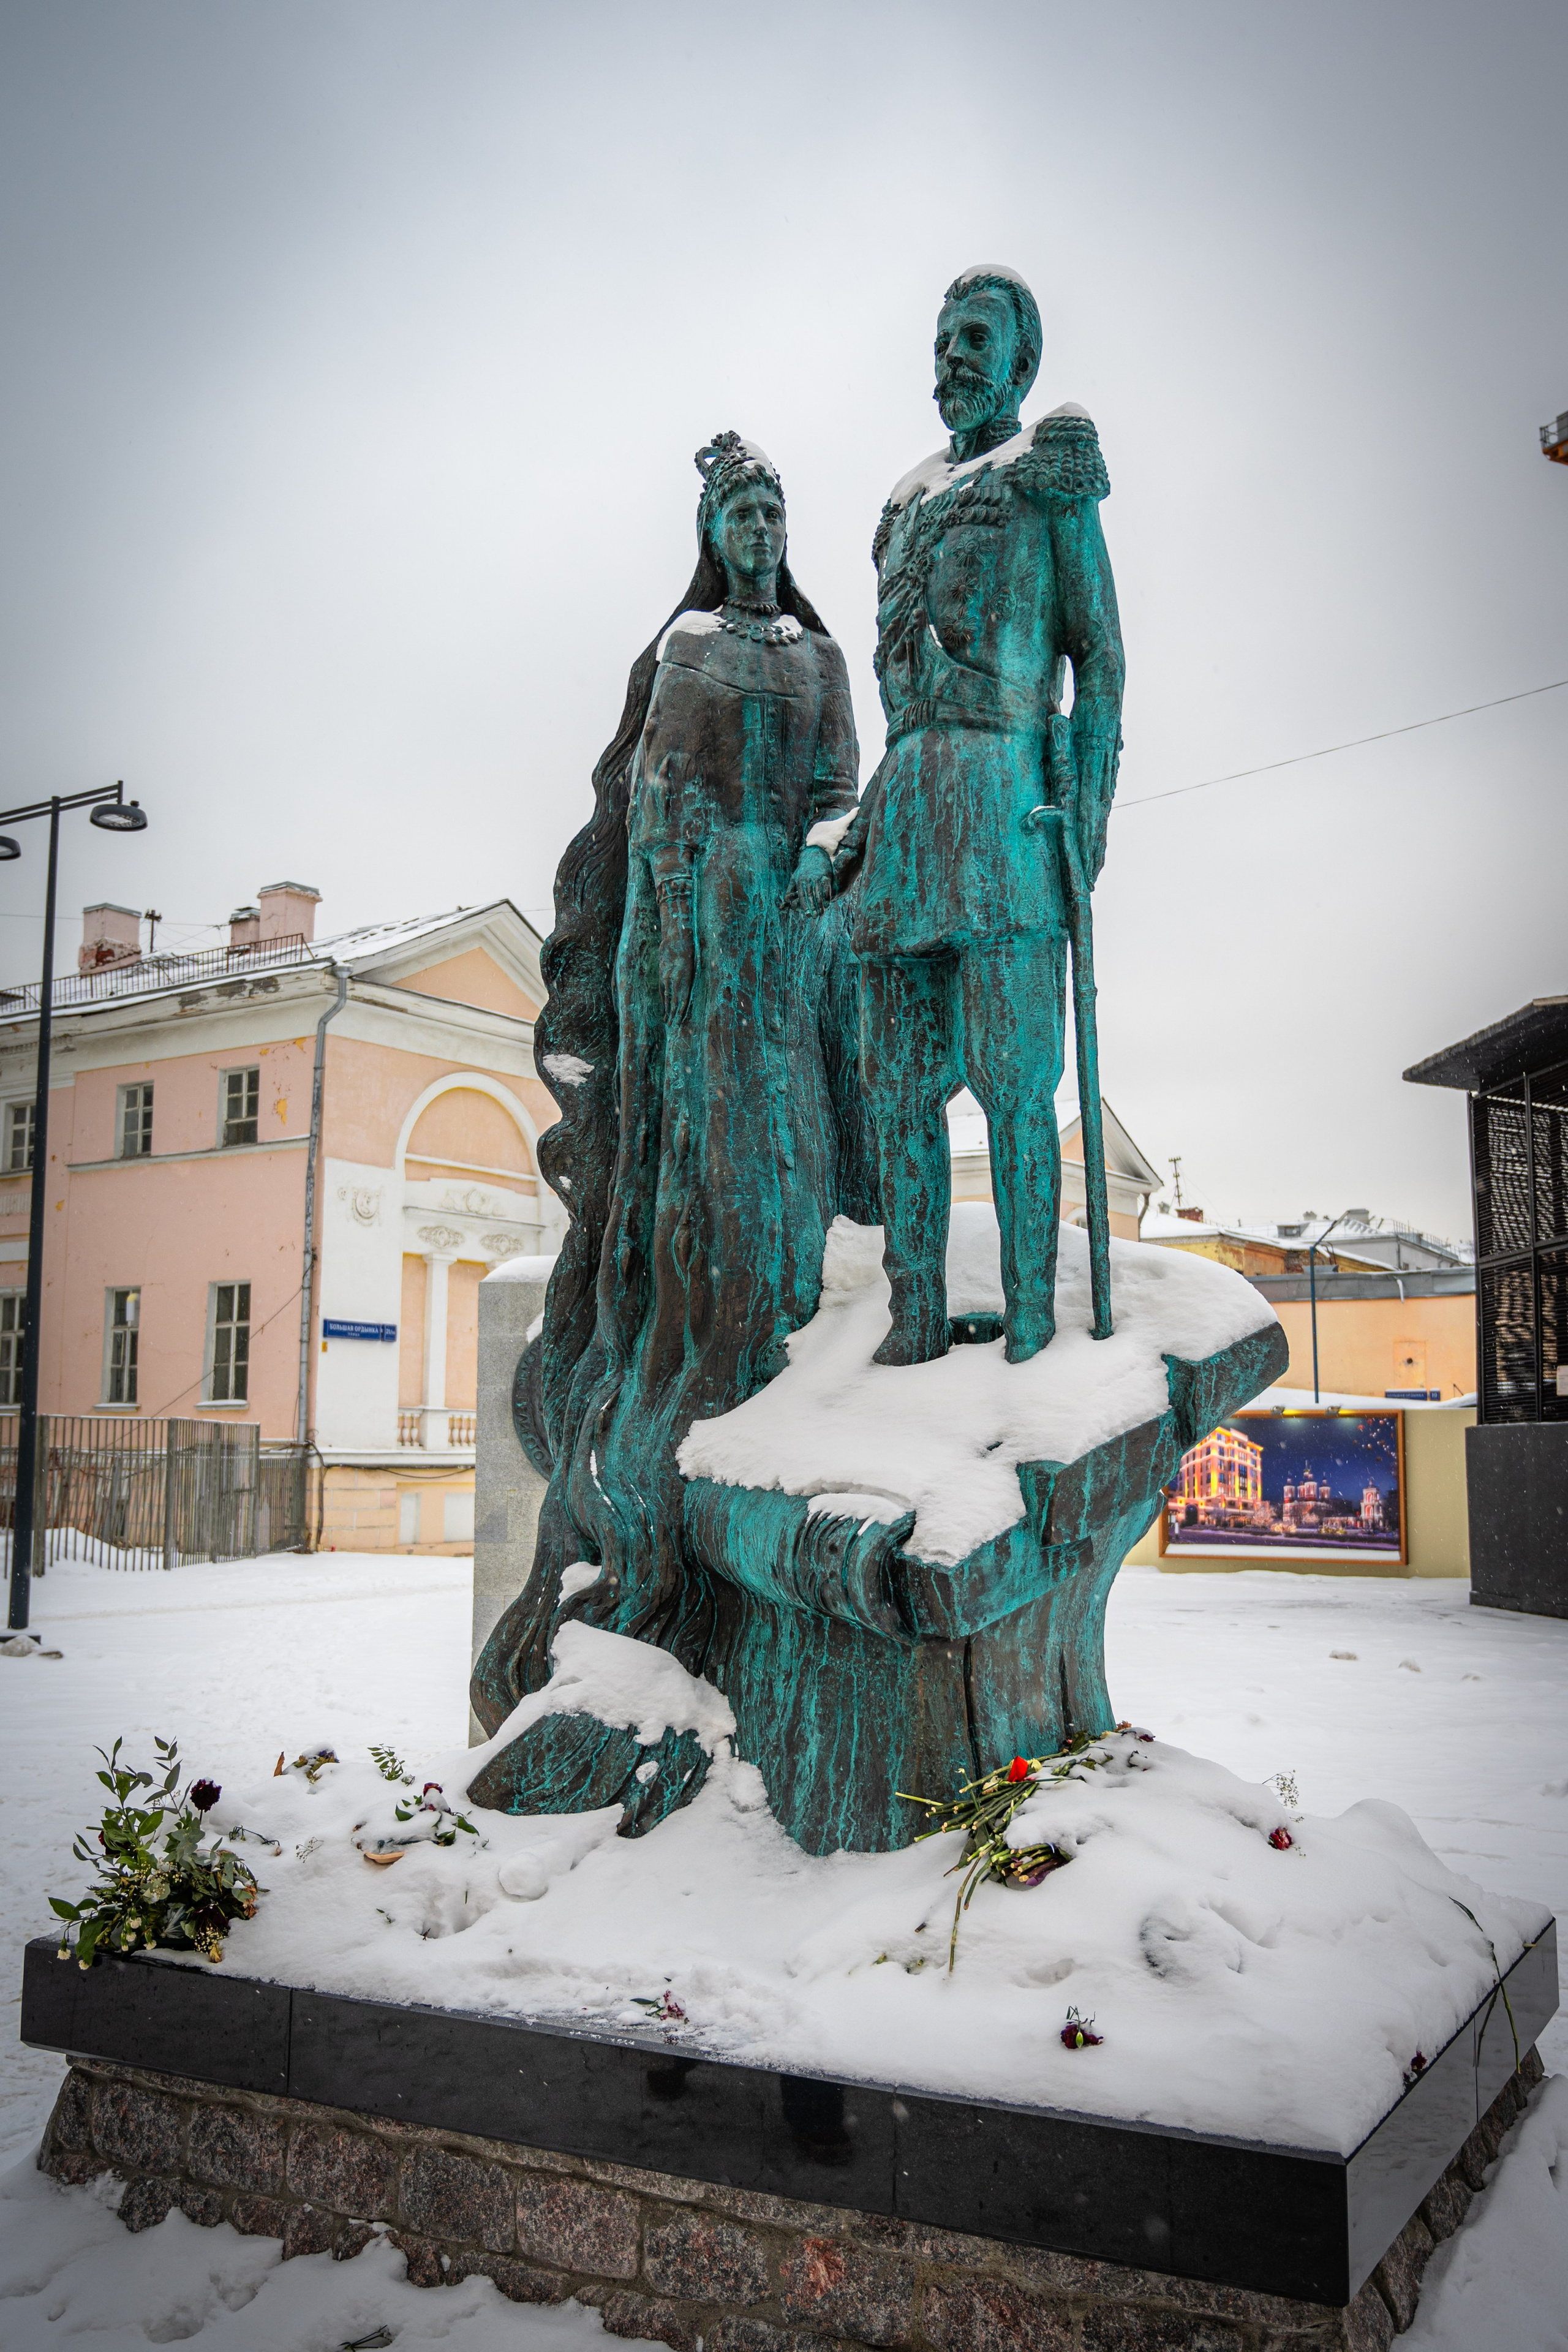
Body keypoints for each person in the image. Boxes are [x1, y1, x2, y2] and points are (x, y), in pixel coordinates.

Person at [470, 434, 870, 1768]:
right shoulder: (682, 645)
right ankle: (669, 1389)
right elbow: (629, 799)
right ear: (713, 528)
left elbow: (834, 796)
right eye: (738, 509)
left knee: (780, 1160)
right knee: (683, 1173)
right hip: (675, 933)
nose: (758, 525)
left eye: (771, 508)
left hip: (770, 925)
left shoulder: (816, 660)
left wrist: (813, 870)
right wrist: (654, 925)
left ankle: (770, 1348)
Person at [789, 265, 1125, 1367]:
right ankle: (914, 1316)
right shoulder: (904, 504)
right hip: (911, 824)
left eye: (976, 337)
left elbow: (1101, 660)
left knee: (1021, 1088)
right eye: (943, 340)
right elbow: (895, 714)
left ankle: (1033, 1321)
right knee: (898, 1096)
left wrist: (1087, 810)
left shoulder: (1049, 473)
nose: (954, 357)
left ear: (1021, 360)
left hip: (1007, 814)